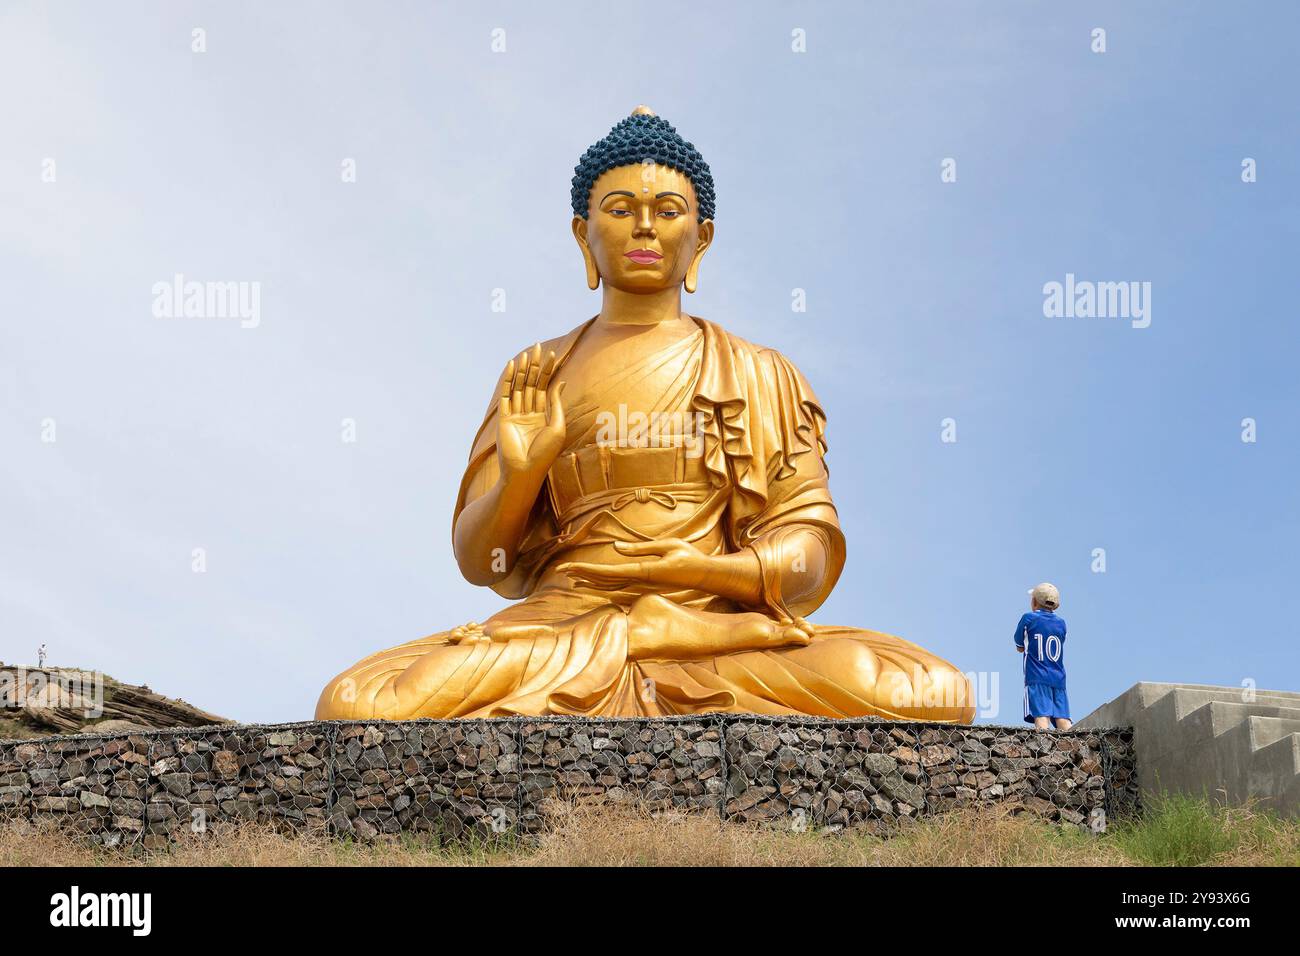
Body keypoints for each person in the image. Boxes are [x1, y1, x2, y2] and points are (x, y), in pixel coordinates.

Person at [314, 107, 975, 722]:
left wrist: (699, 574)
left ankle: (657, 641)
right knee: (356, 702)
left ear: (702, 237)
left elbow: (810, 560)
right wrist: (521, 475)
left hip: (713, 631)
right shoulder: (538, 373)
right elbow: (481, 563)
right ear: (583, 233)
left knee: (928, 690)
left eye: (667, 210)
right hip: (559, 632)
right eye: (621, 209)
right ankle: (632, 647)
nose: (645, 228)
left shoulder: (759, 371)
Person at [1014, 583, 1070, 729]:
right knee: (1063, 719)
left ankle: (1044, 749)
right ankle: (1074, 747)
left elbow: (1019, 645)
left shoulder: (1028, 619)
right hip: (1059, 678)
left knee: (1041, 716)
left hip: (1037, 677)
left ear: (1034, 601)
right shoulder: (1062, 623)